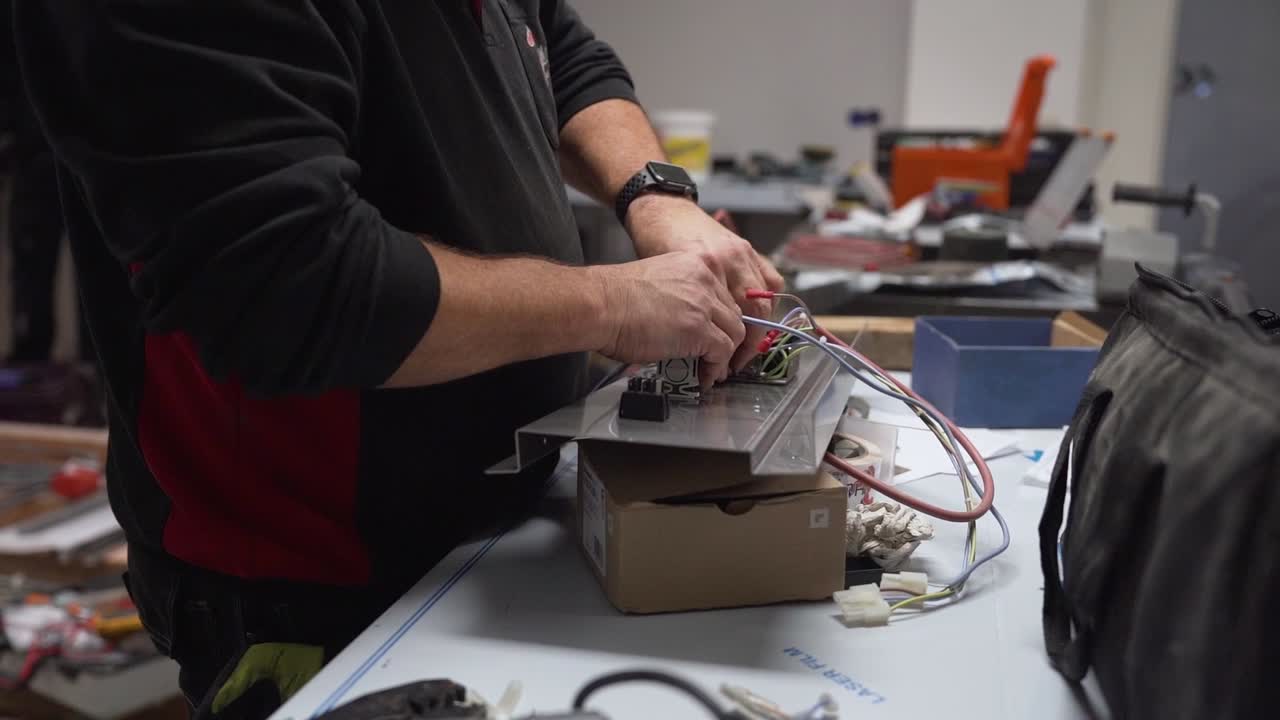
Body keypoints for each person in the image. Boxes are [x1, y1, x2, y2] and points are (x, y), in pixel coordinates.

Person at [14, 1, 783, 717]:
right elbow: (291, 284)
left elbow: (560, 50)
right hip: (316, 592)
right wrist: (612, 304)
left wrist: (657, 198)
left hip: (504, 533)